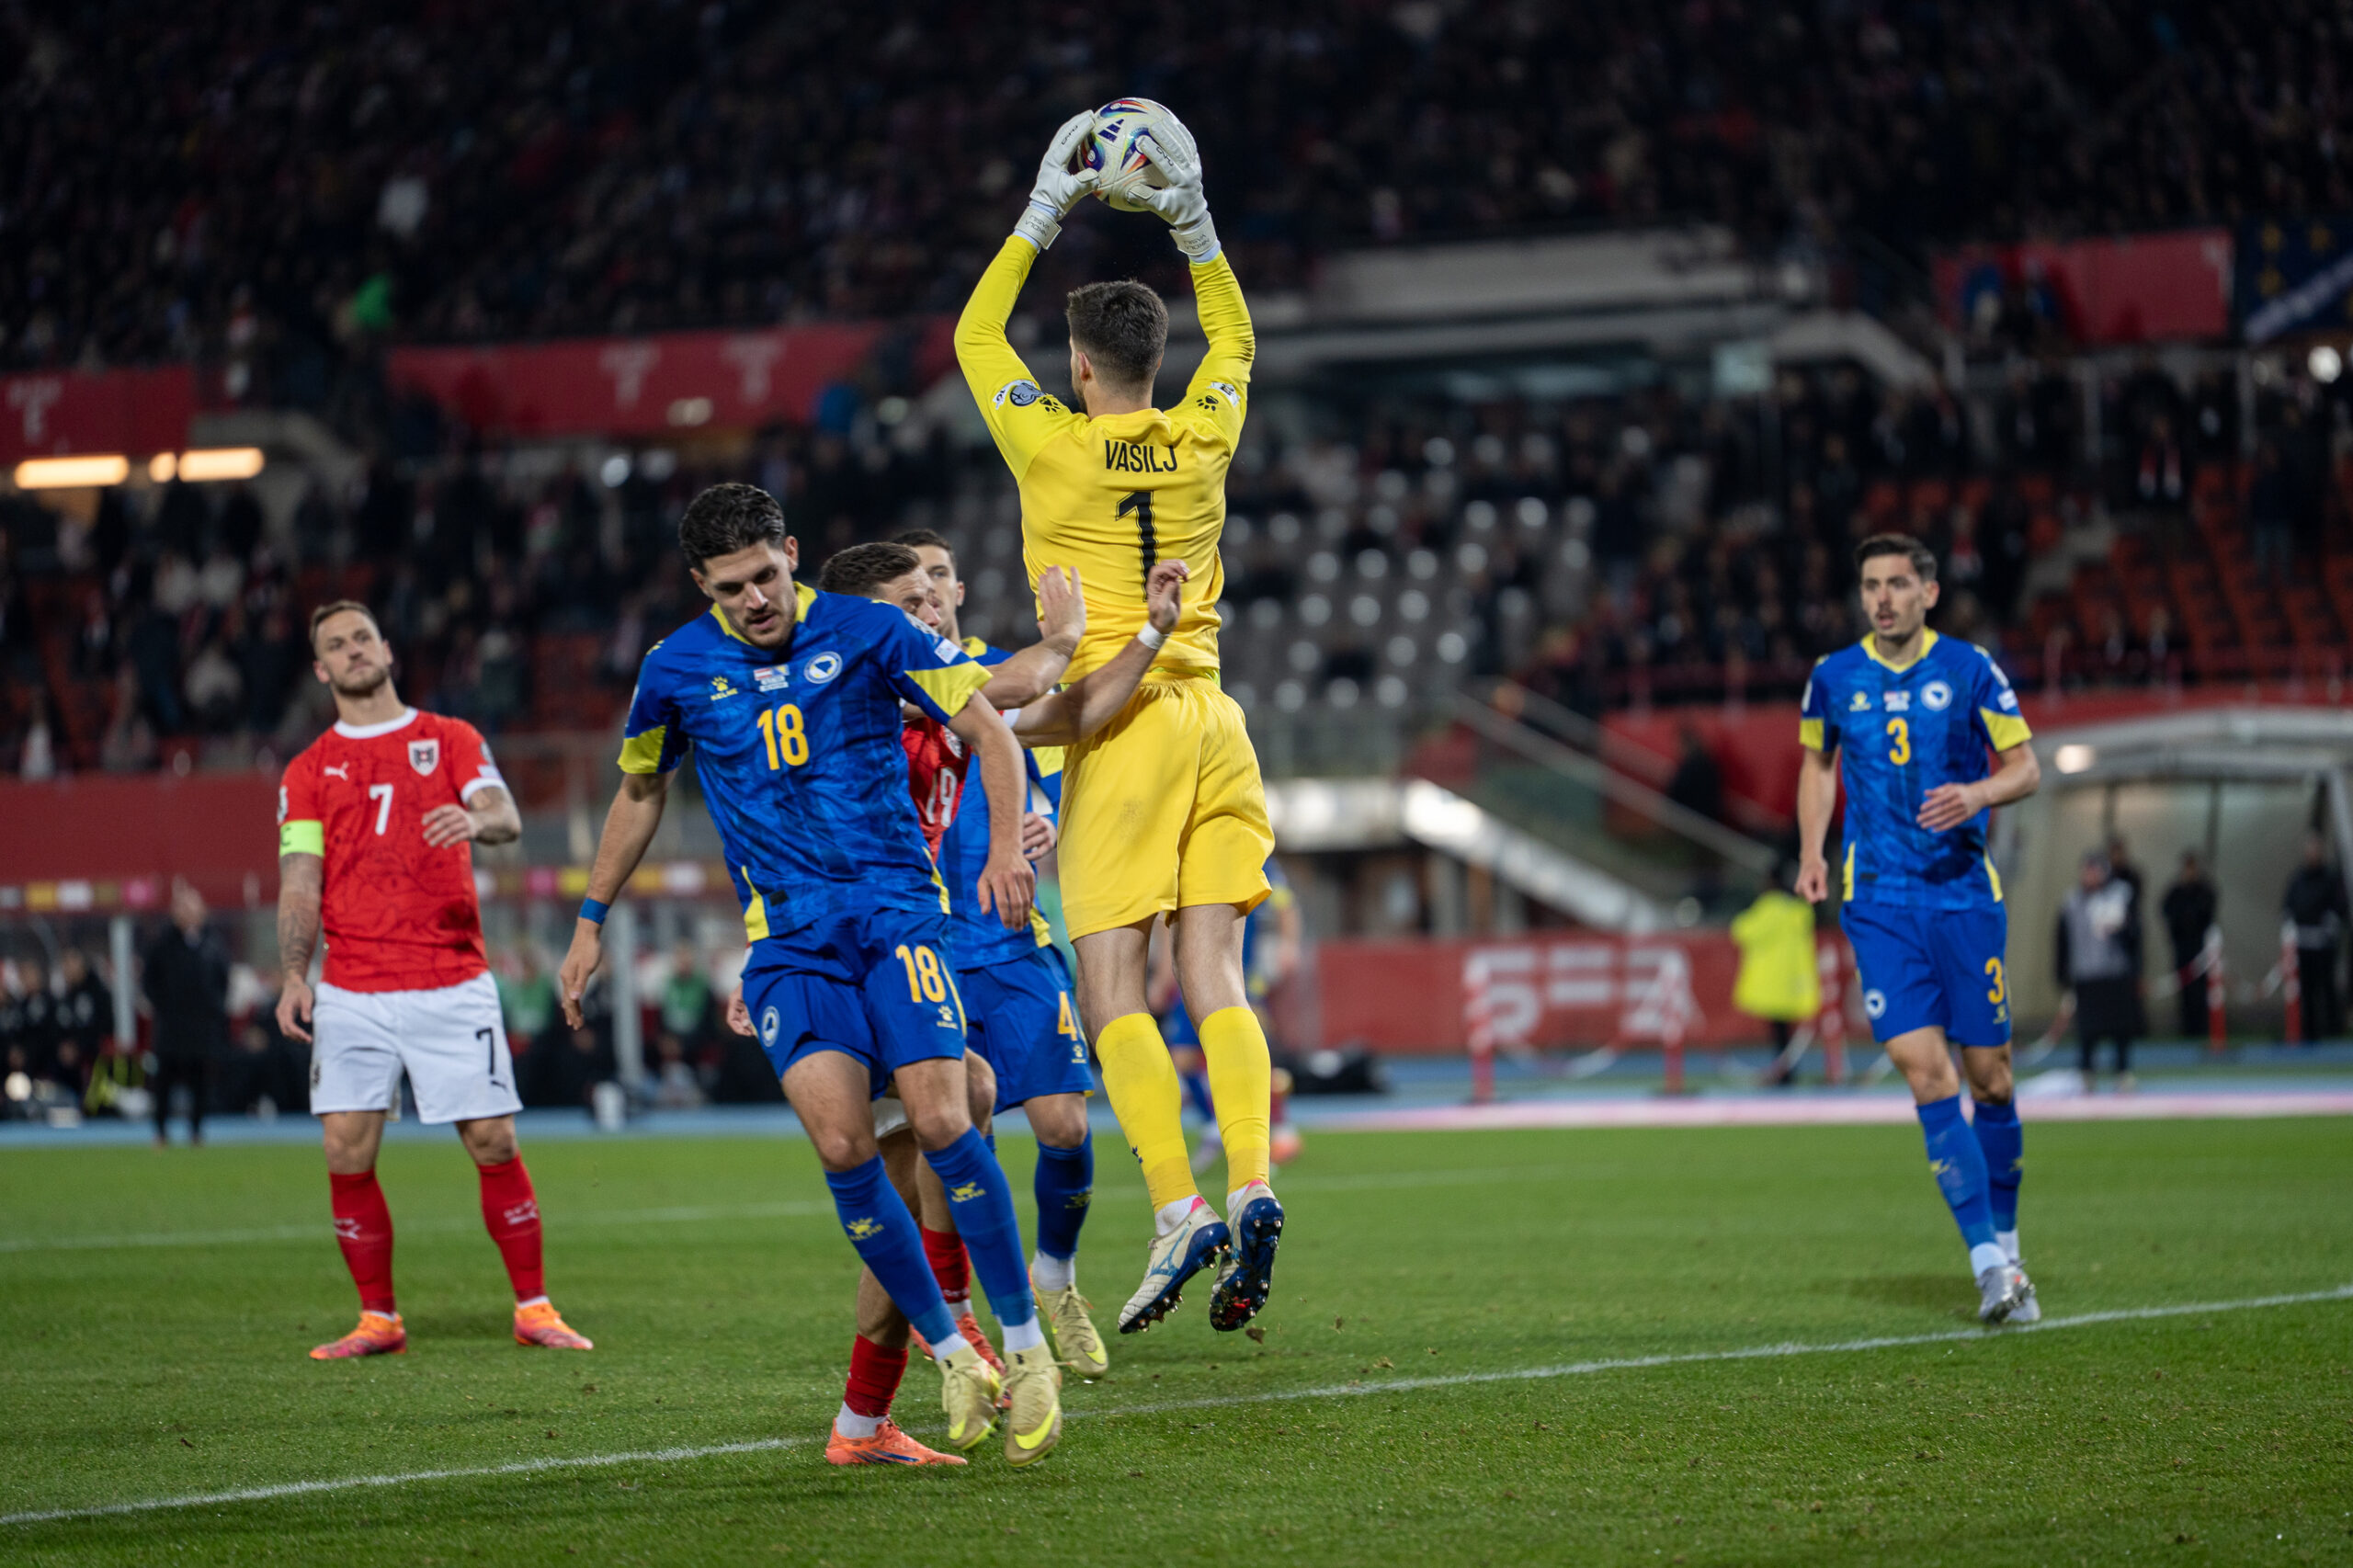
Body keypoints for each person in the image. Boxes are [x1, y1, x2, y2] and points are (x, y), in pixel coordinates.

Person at [558, 483, 1061, 1469]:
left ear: (792, 551)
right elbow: (640, 787)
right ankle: (952, 1355)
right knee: (842, 1146)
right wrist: (589, 921)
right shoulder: (673, 668)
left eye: (766, 575)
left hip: (896, 917)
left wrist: (1006, 846)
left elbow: (993, 729)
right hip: (788, 941)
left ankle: (1028, 1348)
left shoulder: (874, 630)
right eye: (731, 587)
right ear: (701, 586)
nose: (755, 599)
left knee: (951, 1115)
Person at [958, 107, 1284, 1335]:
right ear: (1158, 362)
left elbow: (972, 331)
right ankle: (1250, 1174)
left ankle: (1179, 1206)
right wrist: (1193, 221)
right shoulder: (1206, 432)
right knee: (1217, 975)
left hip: (1122, 720)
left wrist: (1048, 205)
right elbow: (1240, 334)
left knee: (1112, 994)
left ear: (1080, 369)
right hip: (1219, 715)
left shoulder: (1048, 446)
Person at [818, 536, 1189, 1400]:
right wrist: (1063, 641)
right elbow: (1020, 690)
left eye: (944, 579)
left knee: (1063, 1123)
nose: (937, 597)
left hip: (1005, 940)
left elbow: (1072, 716)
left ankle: (1052, 1282)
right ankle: (960, 1331)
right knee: (952, 1142)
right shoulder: (889, 675)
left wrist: (1148, 640)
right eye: (919, 587)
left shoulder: (972, 675)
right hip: (916, 948)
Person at [275, 600, 591, 1360]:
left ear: (387, 648)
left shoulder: (449, 738)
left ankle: (534, 1307)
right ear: (321, 670)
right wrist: (293, 974)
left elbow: (503, 813)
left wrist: (475, 823)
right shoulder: (309, 770)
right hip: (352, 984)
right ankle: (377, 1318)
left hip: (450, 976)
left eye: (362, 638)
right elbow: (299, 877)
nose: (353, 652)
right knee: (346, 1150)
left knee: (492, 1139)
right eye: (336, 647)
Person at [1795, 533, 2044, 1324]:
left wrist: (1977, 795)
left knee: (1991, 1078)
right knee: (1923, 1070)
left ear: (1928, 592)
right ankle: (1988, 1269)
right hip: (1880, 902)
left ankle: (2009, 1246)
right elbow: (1817, 766)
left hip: (1965, 898)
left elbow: (2027, 767)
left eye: (1898, 583)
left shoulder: (1969, 669)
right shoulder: (1832, 678)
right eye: (1871, 584)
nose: (1883, 599)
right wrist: (1811, 853)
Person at [142, 882, 230, 1146]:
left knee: (200, 1081)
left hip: (202, 1027)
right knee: (164, 1081)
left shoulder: (213, 943)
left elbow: (222, 980)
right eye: (182, 907)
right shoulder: (162, 943)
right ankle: (160, 1131)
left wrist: (213, 1008)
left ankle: (196, 1131)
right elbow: (149, 980)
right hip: (171, 1026)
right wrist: (163, 1005)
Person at [1730, 864, 1822, 1086]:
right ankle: (1787, 1072)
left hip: (1772, 983)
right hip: (1793, 982)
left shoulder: (1769, 907)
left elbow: (1741, 931)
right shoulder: (1799, 910)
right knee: (1787, 1034)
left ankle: (1784, 1074)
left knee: (1779, 1034)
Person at [2057, 853, 2143, 1090]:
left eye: (2095, 871)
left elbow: (2136, 933)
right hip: (2086, 974)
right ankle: (2086, 1072)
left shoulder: (2120, 894)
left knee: (2121, 1026)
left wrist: (2122, 929)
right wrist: (2062, 974)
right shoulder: (2072, 901)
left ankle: (2122, 1071)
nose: (2090, 876)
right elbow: (2062, 940)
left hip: (2115, 972)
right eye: (2087, 870)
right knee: (2087, 1029)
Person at [2283, 833, 2348, 1042]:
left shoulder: (2330, 878)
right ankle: (2308, 1029)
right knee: (2306, 988)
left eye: (2315, 850)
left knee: (2327, 986)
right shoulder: (2298, 878)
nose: (2312, 855)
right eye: (2309, 850)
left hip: (2323, 943)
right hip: (2303, 942)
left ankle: (2333, 1028)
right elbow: (2288, 904)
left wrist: (2331, 922)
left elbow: (2340, 907)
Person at [2161, 851, 2218, 1040]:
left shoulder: (2204, 890)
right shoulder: (2175, 892)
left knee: (2200, 991)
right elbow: (2166, 911)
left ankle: (2202, 1028)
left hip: (2200, 949)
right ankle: (2187, 1029)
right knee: (2184, 990)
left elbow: (2209, 913)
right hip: (2182, 948)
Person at [55, 947, 111, 1092]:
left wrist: (79, 1046)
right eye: (64, 964)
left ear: (80, 963)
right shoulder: (67, 996)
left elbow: (104, 1026)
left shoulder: (97, 992)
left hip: (93, 1054)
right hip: (70, 1057)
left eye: (69, 963)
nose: (66, 968)